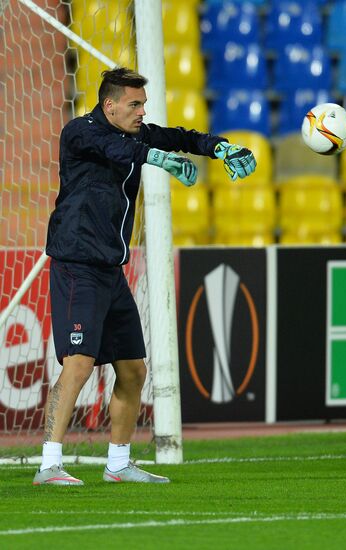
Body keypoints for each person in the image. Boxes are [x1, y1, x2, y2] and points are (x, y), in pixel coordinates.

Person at [33, 67, 256, 486]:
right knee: (78, 364)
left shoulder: (134, 134)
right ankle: (49, 465)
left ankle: (118, 464)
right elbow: (115, 150)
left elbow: (180, 137)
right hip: (77, 264)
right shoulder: (79, 133)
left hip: (110, 270)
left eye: (143, 105)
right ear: (109, 104)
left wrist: (221, 148)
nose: (141, 113)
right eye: (134, 104)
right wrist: (156, 158)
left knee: (134, 370)